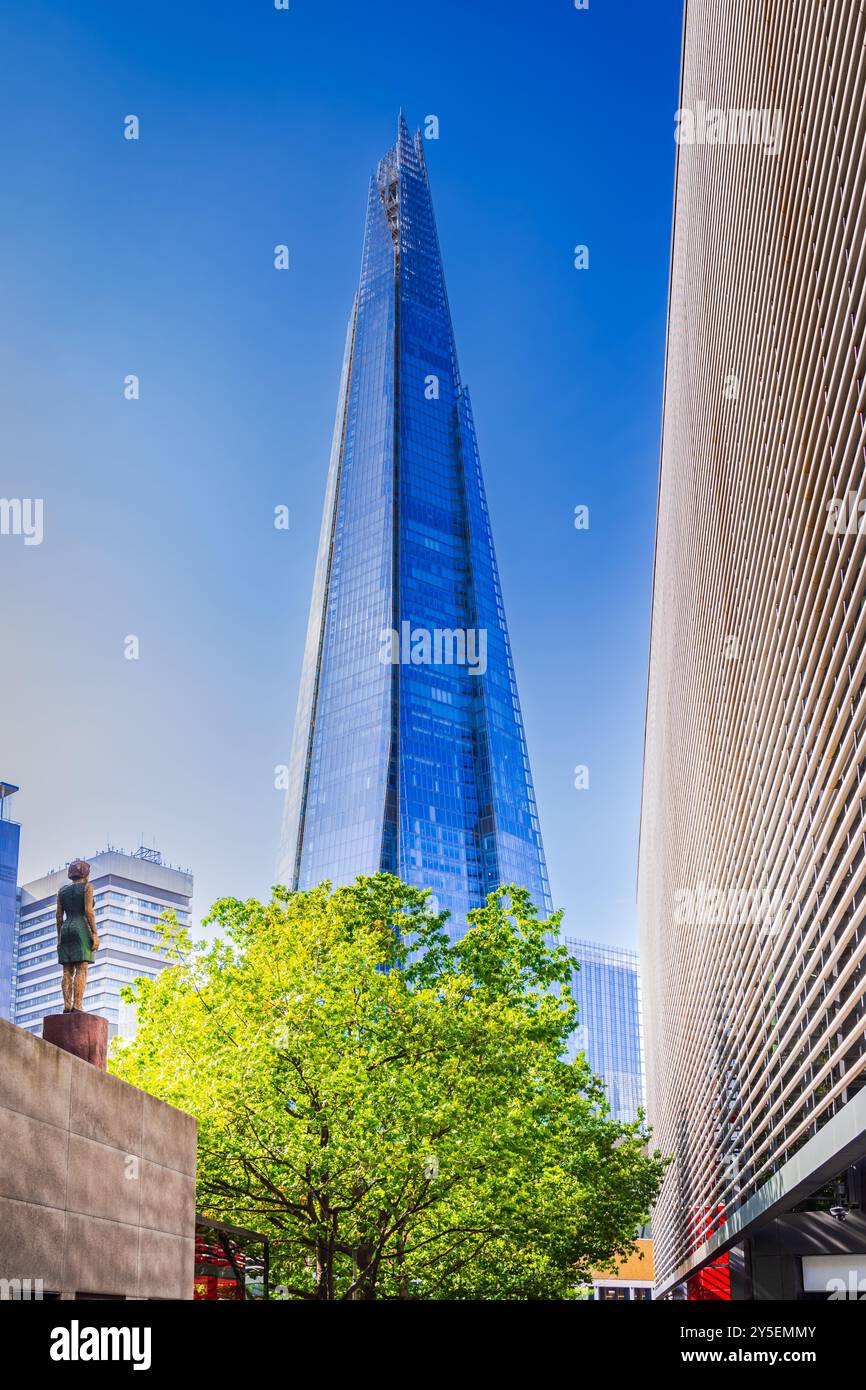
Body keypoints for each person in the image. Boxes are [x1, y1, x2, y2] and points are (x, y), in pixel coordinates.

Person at [56, 859, 99, 1012]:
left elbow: (59, 916)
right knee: (82, 968)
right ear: (86, 873)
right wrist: (95, 933)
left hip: (66, 929)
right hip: (81, 927)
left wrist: (60, 937)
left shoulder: (62, 891)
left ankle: (67, 1005)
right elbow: (89, 911)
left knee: (67, 970)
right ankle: (77, 1004)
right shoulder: (87, 887)